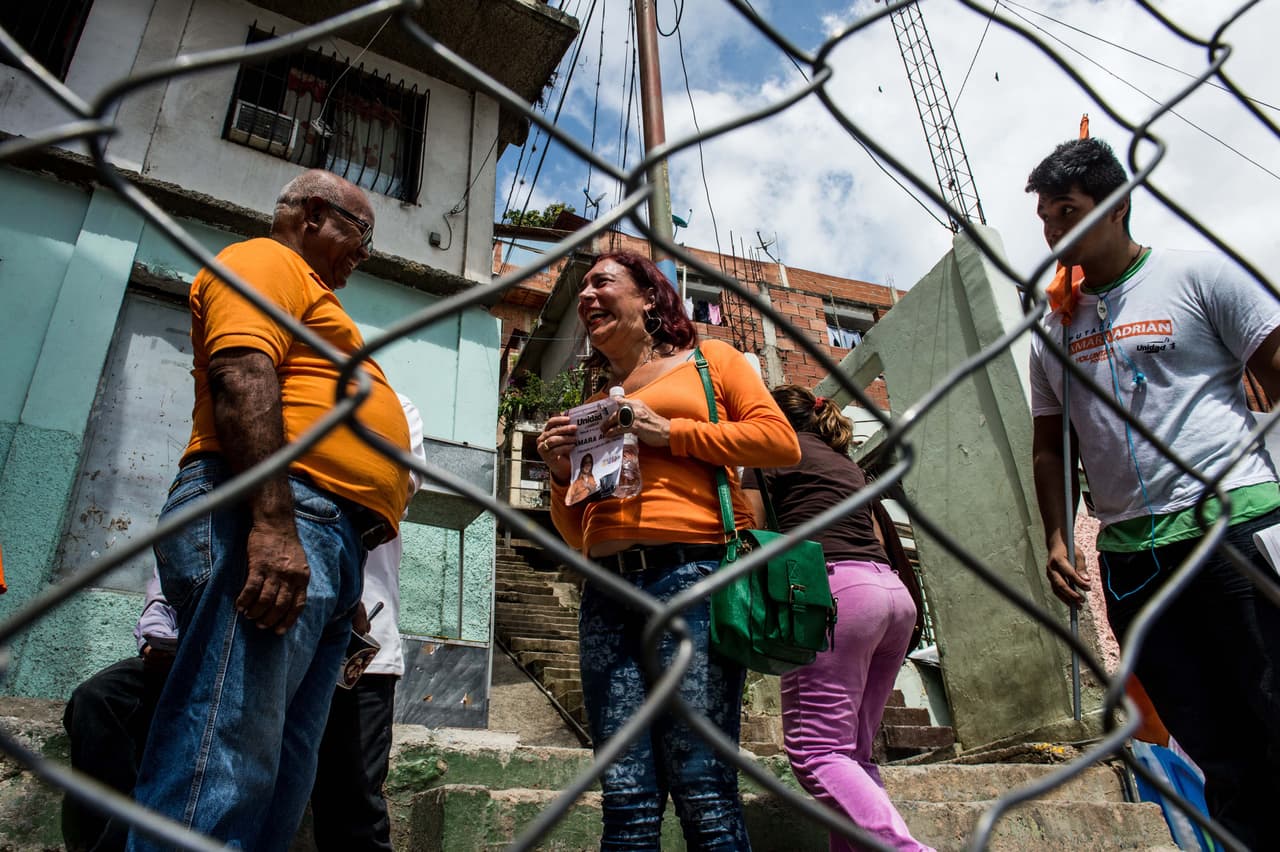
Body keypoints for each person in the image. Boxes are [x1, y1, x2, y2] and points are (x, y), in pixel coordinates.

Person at [128, 170, 411, 852]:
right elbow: (243, 374)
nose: (364, 256)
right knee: (222, 755)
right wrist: (274, 525)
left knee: (279, 776)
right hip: (281, 514)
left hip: (328, 539)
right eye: (361, 235)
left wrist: (342, 580)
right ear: (315, 214)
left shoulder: (315, 300)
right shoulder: (267, 260)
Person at [1026, 137, 1280, 847]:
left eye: (1068, 211)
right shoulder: (1052, 331)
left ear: (1116, 205)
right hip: (1134, 557)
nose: (1054, 232)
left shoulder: (1199, 278)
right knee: (1214, 748)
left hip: (1234, 529)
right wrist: (1055, 533)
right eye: (1046, 217)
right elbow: (1051, 447)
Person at [536, 251, 800, 849]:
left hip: (693, 580)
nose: (586, 297)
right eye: (581, 291)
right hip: (606, 591)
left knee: (704, 786)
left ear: (650, 298)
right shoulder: (595, 402)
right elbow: (579, 533)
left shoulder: (712, 361)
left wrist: (668, 432)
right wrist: (558, 476)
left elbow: (781, 443)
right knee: (624, 796)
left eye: (601, 282)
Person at [742, 386, 932, 852]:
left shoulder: (770, 454)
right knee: (853, 756)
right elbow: (877, 537)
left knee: (816, 752)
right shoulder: (848, 465)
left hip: (836, 594)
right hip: (892, 596)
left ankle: (905, 849)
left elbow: (751, 529)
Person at [311, 393, 428, 852]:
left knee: (352, 800)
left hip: (362, 642)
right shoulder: (279, 387)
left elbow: (393, 490)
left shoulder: (395, 406)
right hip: (277, 628)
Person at [62, 574, 175, 852]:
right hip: (174, 655)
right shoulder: (189, 536)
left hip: (225, 666)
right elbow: (160, 602)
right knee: (95, 697)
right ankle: (101, 837)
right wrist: (154, 641)